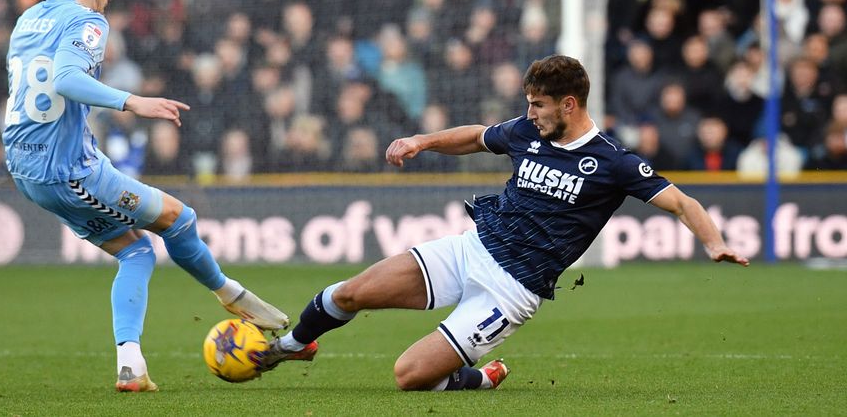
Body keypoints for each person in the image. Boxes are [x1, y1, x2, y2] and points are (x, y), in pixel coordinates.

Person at [260, 55, 748, 391]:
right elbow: (476, 136)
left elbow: (682, 203)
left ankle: (478, 377)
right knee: (349, 293)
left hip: (509, 292)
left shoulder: (612, 162)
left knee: (409, 376)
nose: (529, 113)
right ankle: (290, 346)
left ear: (569, 105)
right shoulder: (525, 132)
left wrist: (714, 244)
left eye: (538, 104)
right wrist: (421, 141)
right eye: (529, 103)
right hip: (470, 249)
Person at [2, 0, 287, 393]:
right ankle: (230, 294)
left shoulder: (29, 18)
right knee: (180, 217)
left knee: (136, 251)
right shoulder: (89, 22)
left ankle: (131, 366)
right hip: (67, 170)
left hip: (23, 164)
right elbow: (67, 78)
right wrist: (134, 102)